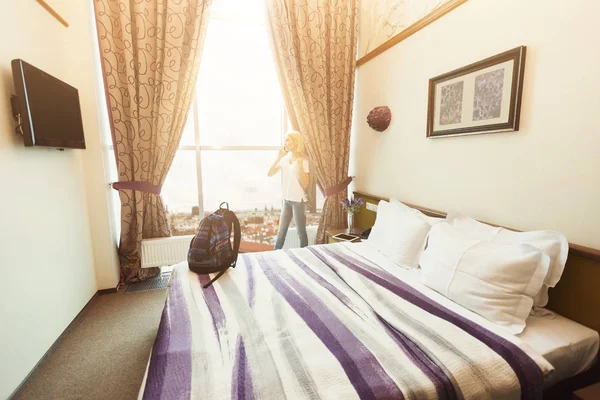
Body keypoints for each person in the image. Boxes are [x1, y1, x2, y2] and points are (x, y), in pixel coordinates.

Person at [268, 131, 310, 249]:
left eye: (288, 140)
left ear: (295, 142)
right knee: (281, 233)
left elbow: (306, 183)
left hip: (299, 200)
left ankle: (304, 255)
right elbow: (270, 173)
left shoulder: (304, 160)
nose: (285, 143)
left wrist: (300, 166)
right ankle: (275, 255)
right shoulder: (284, 159)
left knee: (301, 233)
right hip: (287, 200)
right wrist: (279, 157)